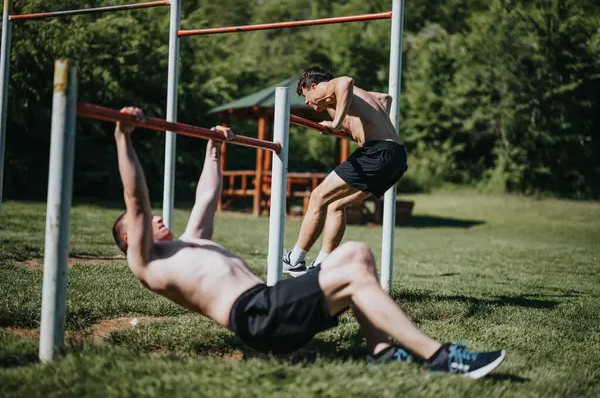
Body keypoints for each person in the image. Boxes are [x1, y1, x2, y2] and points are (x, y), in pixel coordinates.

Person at [111, 107, 506, 379]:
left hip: (270, 302)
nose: (158, 218)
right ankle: (438, 356)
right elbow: (138, 202)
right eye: (143, 223)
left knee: (357, 253)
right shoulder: (146, 263)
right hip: (257, 318)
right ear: (130, 238)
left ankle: (382, 353)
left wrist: (214, 148)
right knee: (352, 272)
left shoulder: (190, 243)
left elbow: (206, 198)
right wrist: (123, 136)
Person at [282, 66, 408, 276]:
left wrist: (336, 122)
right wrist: (358, 130)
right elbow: (385, 99)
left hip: (377, 153)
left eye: (306, 95)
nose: (306, 102)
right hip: (396, 156)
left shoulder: (328, 87)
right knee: (336, 205)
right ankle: (321, 266)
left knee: (318, 196)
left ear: (313, 86)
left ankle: (294, 260)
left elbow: (345, 81)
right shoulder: (356, 100)